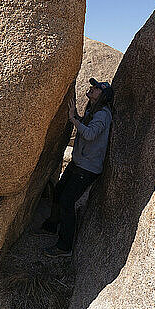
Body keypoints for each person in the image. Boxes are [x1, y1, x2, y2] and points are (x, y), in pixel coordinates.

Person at [40, 78, 114, 257]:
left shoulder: (103, 114)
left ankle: (64, 247)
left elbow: (89, 134)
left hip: (88, 168)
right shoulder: (92, 109)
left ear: (103, 96)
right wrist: (78, 117)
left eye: (96, 88)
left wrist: (73, 118)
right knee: (59, 191)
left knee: (67, 201)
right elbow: (87, 127)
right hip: (79, 162)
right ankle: (51, 226)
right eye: (93, 86)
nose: (92, 89)